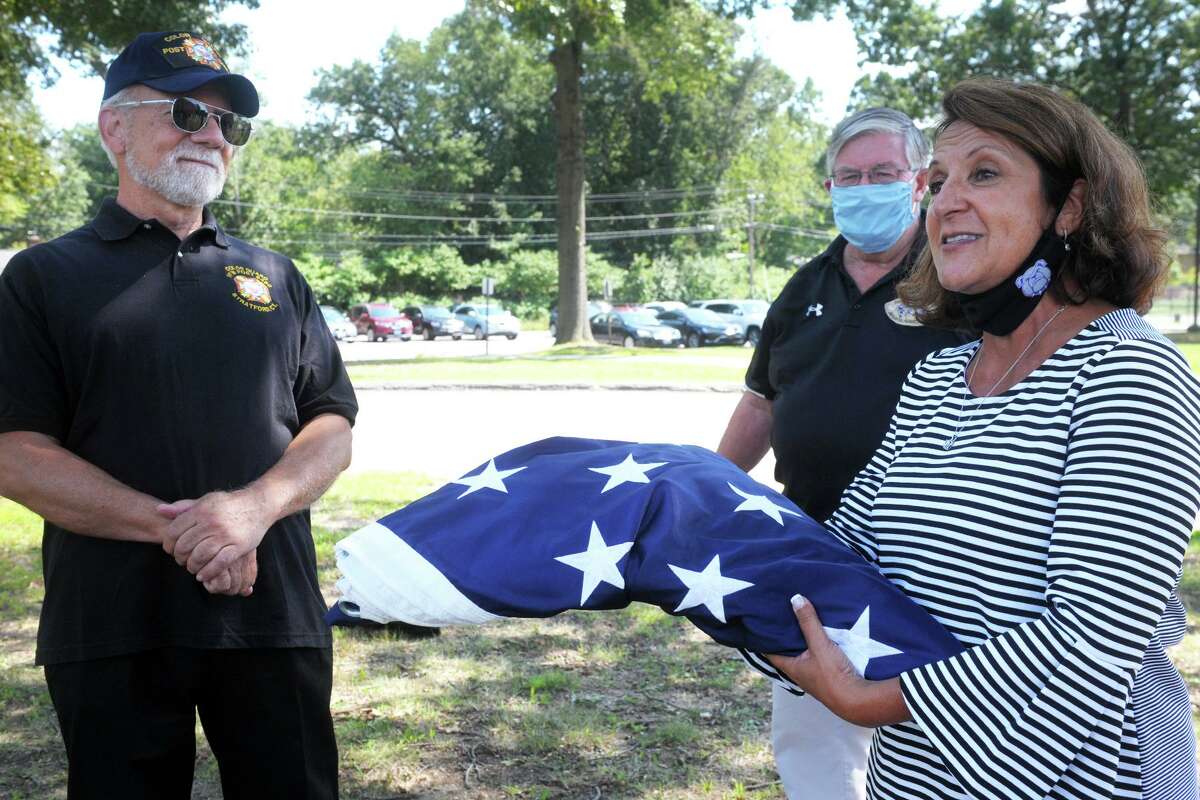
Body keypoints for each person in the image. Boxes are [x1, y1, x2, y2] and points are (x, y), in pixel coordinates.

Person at [764, 77, 1200, 800]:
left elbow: (1092, 638)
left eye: (985, 173)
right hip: (917, 778)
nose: (947, 201)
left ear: (1072, 206)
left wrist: (878, 702)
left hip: (1093, 776)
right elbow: (848, 552)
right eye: (937, 182)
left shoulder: (1126, 367)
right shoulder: (937, 379)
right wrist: (688, 527)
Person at [0, 31, 357, 799]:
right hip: (112, 624)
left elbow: (331, 426)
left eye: (231, 125)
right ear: (113, 129)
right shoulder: (41, 278)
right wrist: (185, 530)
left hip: (272, 613)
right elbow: (14, 451)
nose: (212, 136)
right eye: (188, 112)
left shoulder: (273, 275)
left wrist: (255, 510)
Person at [716, 108, 969, 799]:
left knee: (931, 740)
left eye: (883, 174)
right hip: (815, 552)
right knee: (815, 740)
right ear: (829, 188)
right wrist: (711, 486)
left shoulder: (963, 272)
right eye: (849, 177)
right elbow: (760, 401)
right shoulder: (805, 286)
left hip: (937, 560)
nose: (865, 187)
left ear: (919, 181)